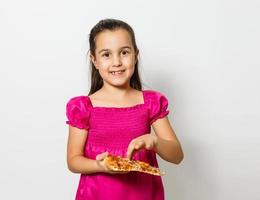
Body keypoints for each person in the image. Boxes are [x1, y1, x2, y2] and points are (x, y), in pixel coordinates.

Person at [65, 18, 184, 200]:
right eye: (106, 54)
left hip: (143, 194)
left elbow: (177, 155)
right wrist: (101, 166)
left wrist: (154, 141)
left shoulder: (149, 102)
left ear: (135, 55)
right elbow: (73, 160)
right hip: (97, 194)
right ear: (94, 60)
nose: (117, 62)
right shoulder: (83, 107)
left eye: (124, 52)